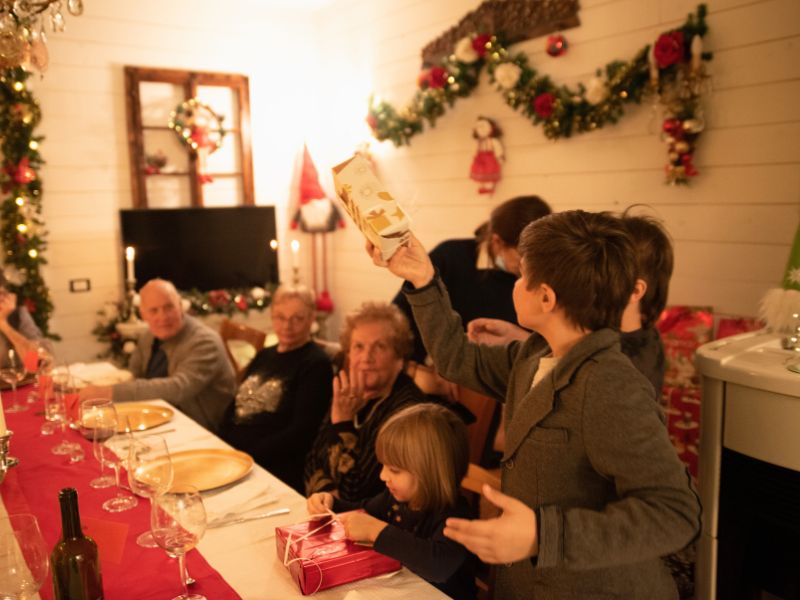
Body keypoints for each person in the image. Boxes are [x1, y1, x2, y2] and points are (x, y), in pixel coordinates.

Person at [369, 210, 700, 599]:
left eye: (522, 275)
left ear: (546, 297)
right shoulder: (534, 355)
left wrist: (545, 535)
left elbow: (675, 512)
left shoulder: (611, 385)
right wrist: (423, 280)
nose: (515, 283)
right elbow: (456, 358)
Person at [468, 208, 674, 397]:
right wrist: (518, 337)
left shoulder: (624, 365)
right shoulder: (613, 332)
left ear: (635, 290)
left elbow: (572, 368)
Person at [308, 403, 477, 600]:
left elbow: (437, 566)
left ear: (429, 474)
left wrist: (376, 531)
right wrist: (331, 503)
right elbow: (362, 512)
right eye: (383, 466)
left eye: (394, 470)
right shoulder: (395, 499)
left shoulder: (457, 515)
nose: (382, 476)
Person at [394, 195, 551, 364]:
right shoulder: (450, 257)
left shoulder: (543, 273)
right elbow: (400, 318)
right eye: (523, 257)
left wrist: (523, 339)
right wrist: (419, 369)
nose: (532, 267)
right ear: (497, 242)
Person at [304, 302, 426, 502]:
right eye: (358, 347)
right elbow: (312, 460)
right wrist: (325, 492)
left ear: (399, 358)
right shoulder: (349, 393)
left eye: (379, 347)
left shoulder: (406, 412)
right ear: (349, 354)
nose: (366, 358)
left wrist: (342, 424)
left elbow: (356, 492)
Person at [79, 278, 235, 432]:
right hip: (159, 415)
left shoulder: (205, 342)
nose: (163, 317)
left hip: (203, 427)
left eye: (169, 307)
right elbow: (134, 374)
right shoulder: (149, 335)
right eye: (154, 310)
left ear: (181, 307)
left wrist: (109, 392)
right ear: (143, 314)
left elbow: (177, 388)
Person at [219, 284, 332, 493]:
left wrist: (248, 455)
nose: (287, 326)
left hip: (272, 467)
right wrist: (221, 440)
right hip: (235, 457)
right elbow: (237, 402)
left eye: (297, 318)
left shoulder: (315, 364)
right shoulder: (265, 354)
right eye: (280, 317)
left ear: (311, 319)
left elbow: (301, 432)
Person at [0, 274, 49, 367]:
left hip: (16, 381)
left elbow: (38, 364)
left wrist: (3, 324)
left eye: (1, 294)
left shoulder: (17, 315)